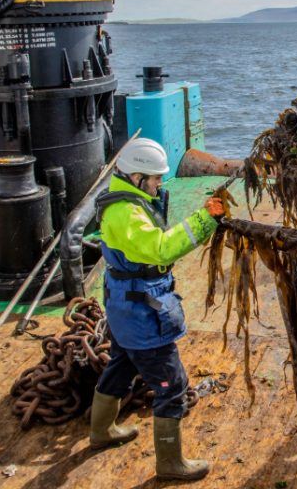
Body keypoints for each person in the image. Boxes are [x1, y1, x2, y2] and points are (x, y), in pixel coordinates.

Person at [89, 137, 226, 482]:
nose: (159, 184)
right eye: (154, 179)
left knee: (120, 367)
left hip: (124, 306)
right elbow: (161, 249)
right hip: (141, 312)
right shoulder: (126, 213)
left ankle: (102, 431)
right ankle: (170, 464)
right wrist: (204, 220)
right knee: (172, 385)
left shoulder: (126, 198)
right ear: (136, 177)